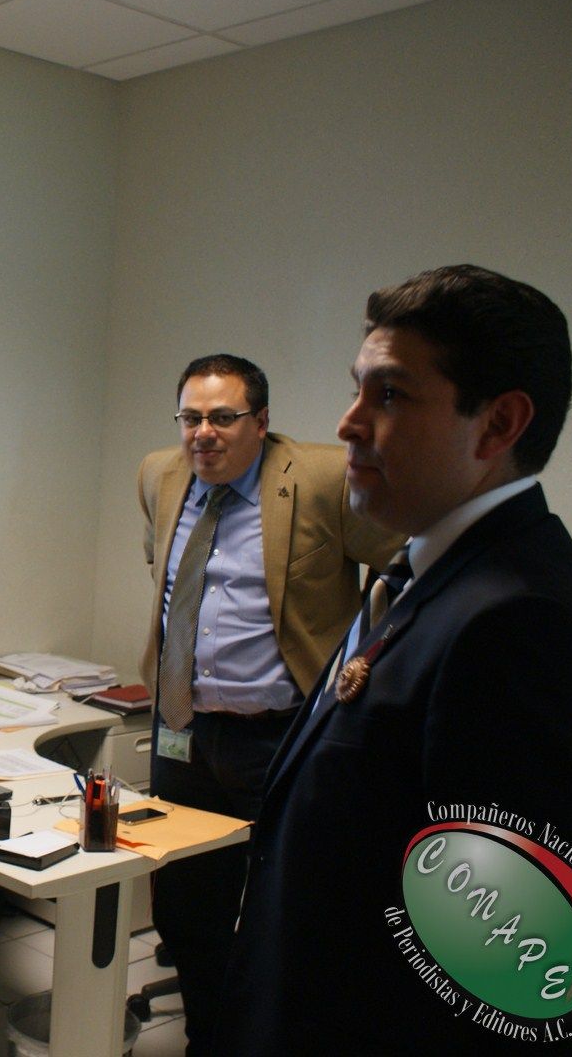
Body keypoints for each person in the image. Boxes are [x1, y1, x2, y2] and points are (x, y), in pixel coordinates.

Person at [221, 265, 572, 1053]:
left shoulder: (517, 622)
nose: (347, 423)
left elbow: (510, 969)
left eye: (389, 395)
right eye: (356, 389)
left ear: (497, 424)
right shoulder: (421, 575)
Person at [135, 354, 401, 1051]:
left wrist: (367, 665)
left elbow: (402, 562)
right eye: (191, 417)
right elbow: (167, 576)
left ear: (260, 422)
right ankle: (208, 1038)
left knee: (293, 907)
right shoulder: (159, 475)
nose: (203, 434)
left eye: (223, 417)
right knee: (188, 907)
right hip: (184, 730)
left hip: (280, 736)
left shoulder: (321, 479)